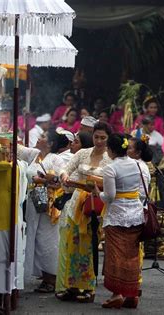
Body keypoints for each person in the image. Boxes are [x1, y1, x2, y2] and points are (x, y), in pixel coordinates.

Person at [56, 122, 112, 303]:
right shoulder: (82, 153)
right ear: (93, 136)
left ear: (108, 139)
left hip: (96, 204)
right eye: (97, 137)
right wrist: (64, 176)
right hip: (76, 203)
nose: (99, 141)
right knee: (72, 245)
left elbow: (112, 182)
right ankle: (71, 286)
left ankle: (88, 288)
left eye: (103, 138)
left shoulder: (110, 158)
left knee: (89, 246)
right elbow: (66, 168)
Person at [92, 134, 144, 309]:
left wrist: (96, 192)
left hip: (117, 216)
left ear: (112, 150)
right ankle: (131, 293)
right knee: (132, 255)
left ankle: (117, 294)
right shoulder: (136, 164)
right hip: (136, 214)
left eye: (108, 148)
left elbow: (110, 196)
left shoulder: (111, 168)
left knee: (116, 255)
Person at [25, 131, 65, 293]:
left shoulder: (56, 159)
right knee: (35, 237)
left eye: (42, 137)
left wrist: (42, 180)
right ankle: (44, 275)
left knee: (47, 239)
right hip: (33, 201)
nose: (39, 139)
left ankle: (52, 278)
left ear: (50, 144)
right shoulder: (34, 155)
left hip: (48, 205)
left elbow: (59, 180)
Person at [126, 135, 153, 308]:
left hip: (134, 211)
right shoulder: (138, 165)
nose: (126, 150)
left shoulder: (137, 166)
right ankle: (132, 286)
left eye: (129, 148)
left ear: (137, 153)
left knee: (131, 252)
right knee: (133, 251)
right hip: (135, 210)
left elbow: (140, 193)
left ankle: (132, 287)